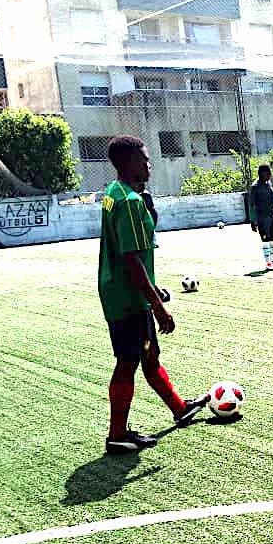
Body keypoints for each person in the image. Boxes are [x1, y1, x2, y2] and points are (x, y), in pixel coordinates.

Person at [99, 135, 209, 455]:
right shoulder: (130, 202)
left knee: (149, 355)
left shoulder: (114, 192)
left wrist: (152, 289)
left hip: (124, 290)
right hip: (128, 297)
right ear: (128, 163)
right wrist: (157, 305)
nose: (149, 164)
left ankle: (180, 409)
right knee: (128, 361)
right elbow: (131, 259)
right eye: (144, 159)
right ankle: (117, 435)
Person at [249, 164, 273, 269]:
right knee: (265, 240)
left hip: (270, 216)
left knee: (272, 239)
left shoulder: (268, 184)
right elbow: (251, 205)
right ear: (262, 173)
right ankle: (268, 263)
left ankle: (272, 261)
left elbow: (271, 200)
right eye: (268, 173)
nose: (270, 175)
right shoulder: (255, 187)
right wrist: (253, 221)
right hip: (261, 218)